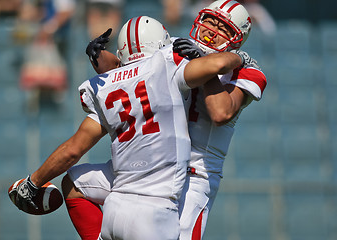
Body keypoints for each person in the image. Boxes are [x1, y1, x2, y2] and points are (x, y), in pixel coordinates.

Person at [10, 15, 244, 240]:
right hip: (155, 211)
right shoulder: (166, 66)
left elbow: (73, 149)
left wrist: (33, 182)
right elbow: (217, 64)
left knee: (73, 181)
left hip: (115, 208)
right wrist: (240, 59)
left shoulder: (107, 85)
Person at [62, 1, 266, 239]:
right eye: (210, 21)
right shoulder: (176, 47)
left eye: (223, 28)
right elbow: (129, 71)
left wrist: (206, 66)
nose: (211, 30)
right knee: (75, 184)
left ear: (237, 39)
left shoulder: (246, 71)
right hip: (150, 164)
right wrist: (98, 56)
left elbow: (221, 113)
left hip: (194, 173)